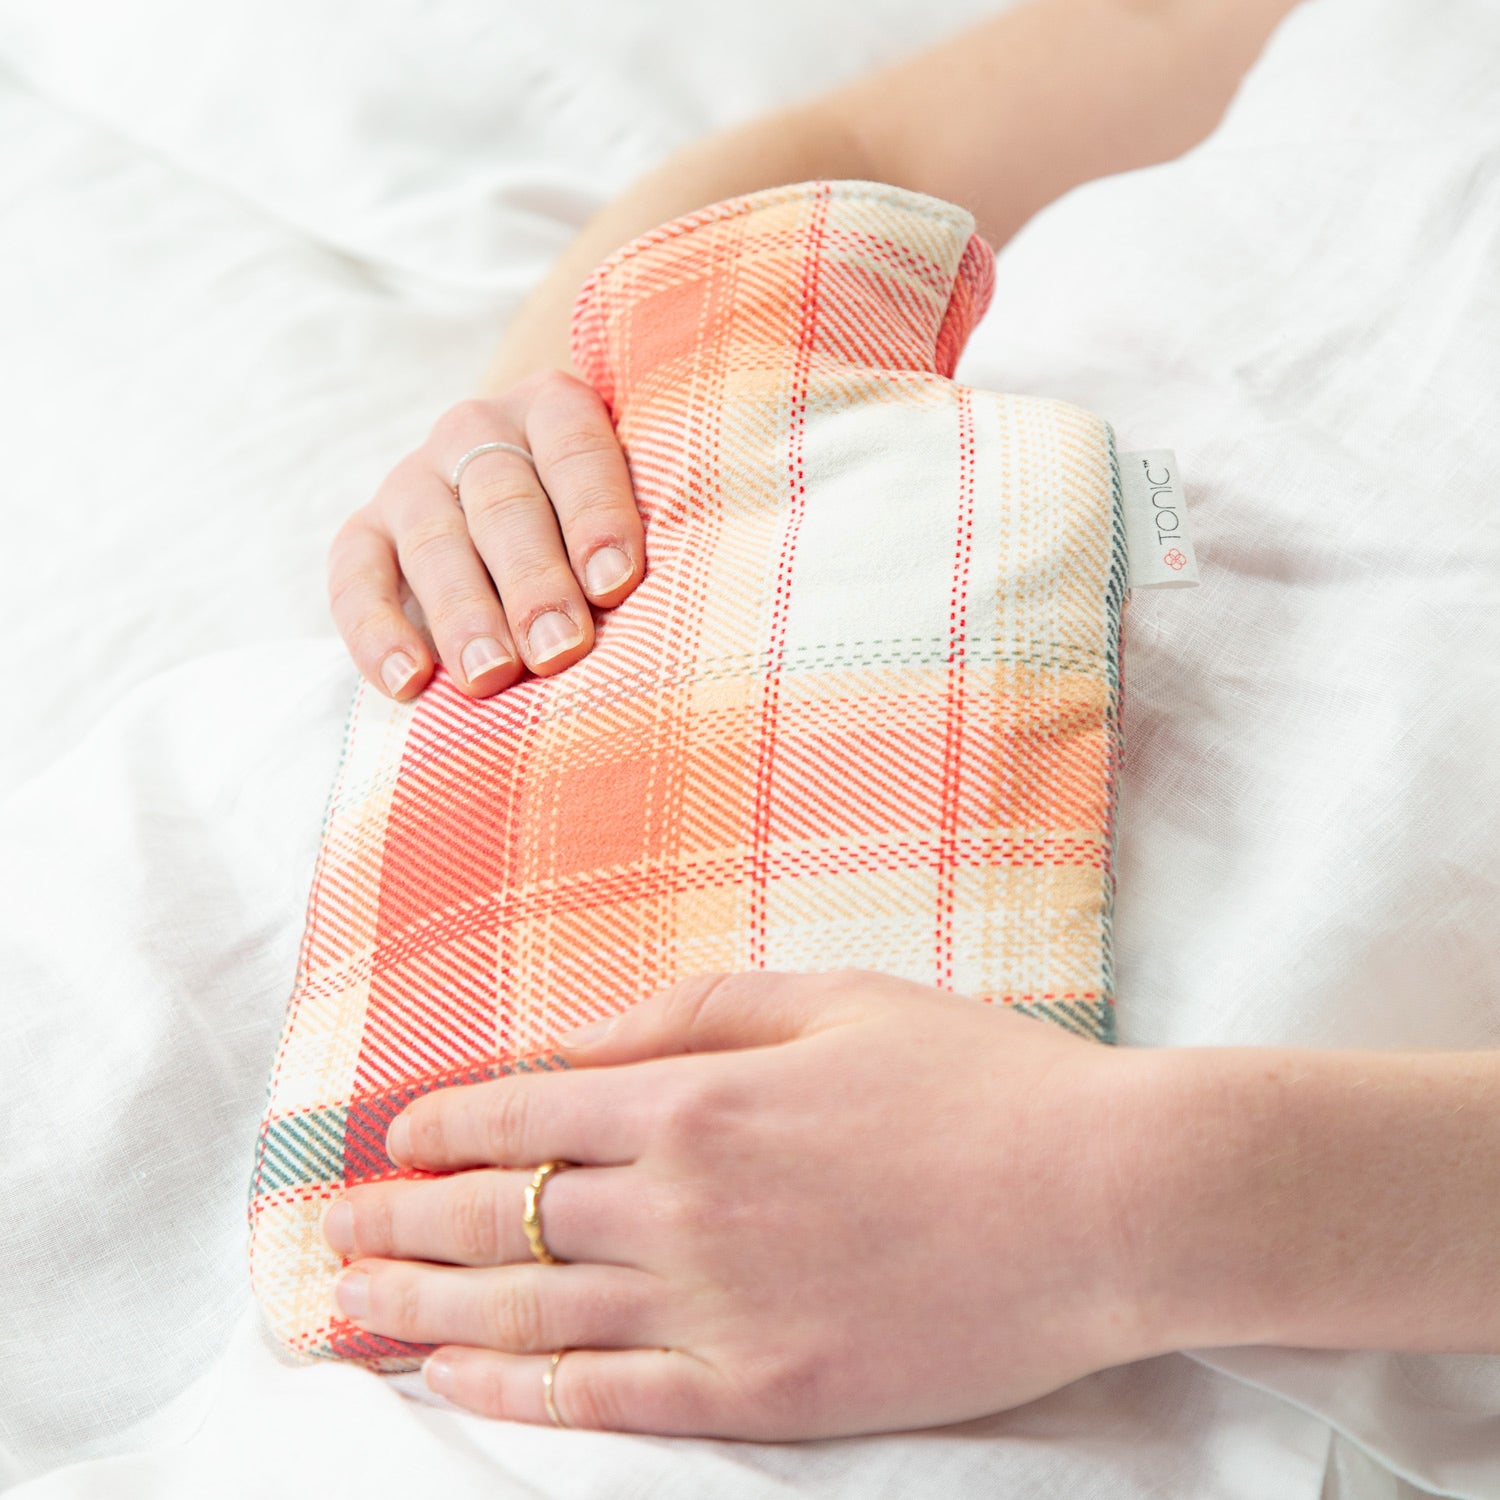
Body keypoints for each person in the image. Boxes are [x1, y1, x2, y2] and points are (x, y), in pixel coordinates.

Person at [315, 0, 1500, 1440]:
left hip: (1089, 1285)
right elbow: (869, 147)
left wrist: (1122, 1200)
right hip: (458, 747)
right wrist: (540, 422)